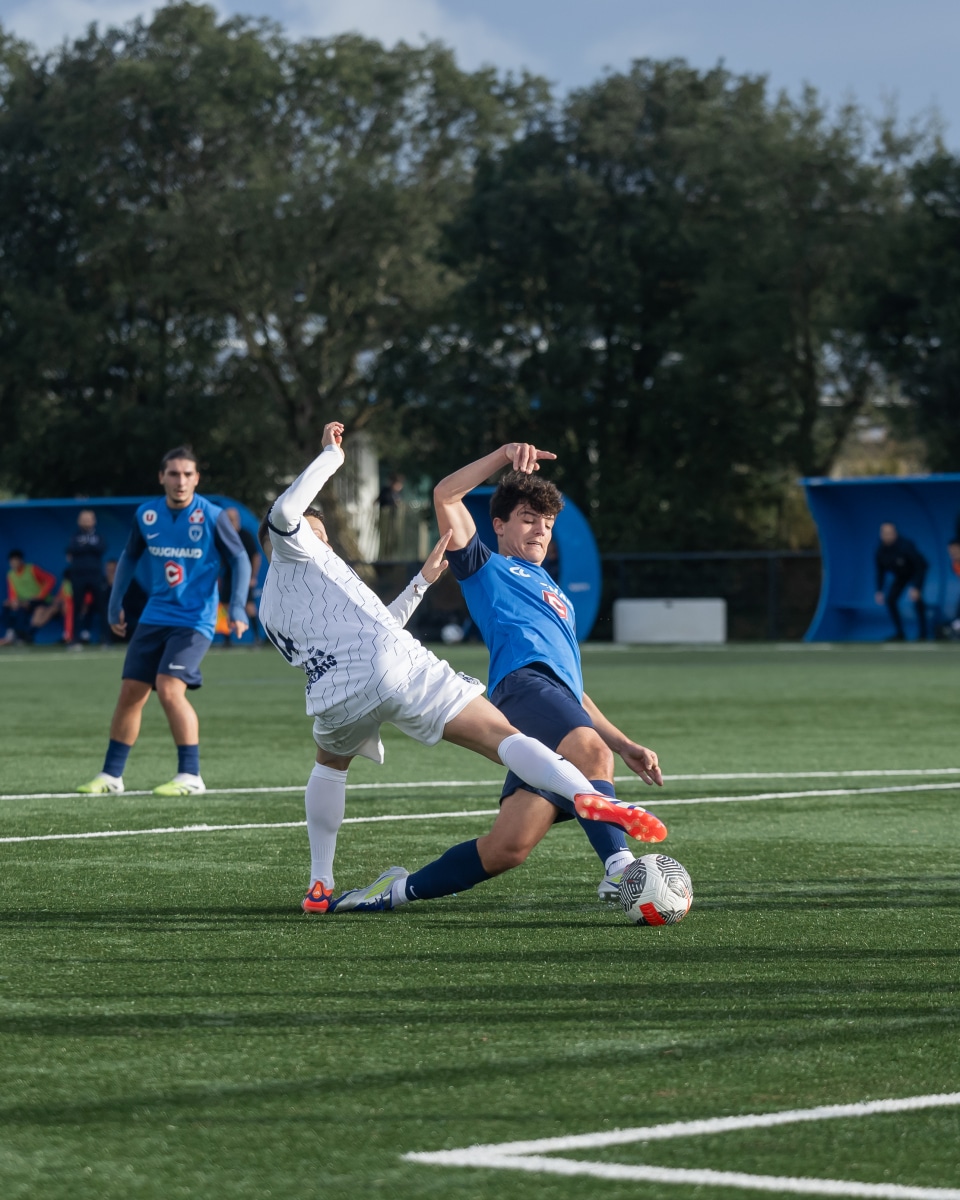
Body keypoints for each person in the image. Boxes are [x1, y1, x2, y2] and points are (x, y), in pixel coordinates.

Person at [259, 422, 665, 915]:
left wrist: (622, 741)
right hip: (518, 687)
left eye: (547, 523)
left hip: (341, 690)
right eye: (528, 519)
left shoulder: (279, 604)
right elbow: (445, 495)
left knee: (507, 847)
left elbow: (569, 689)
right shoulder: (487, 566)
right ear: (499, 525)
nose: (540, 529)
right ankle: (617, 856)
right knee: (577, 751)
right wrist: (501, 454)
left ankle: (379, 890)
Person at [76, 446, 251, 796]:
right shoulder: (147, 515)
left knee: (169, 687)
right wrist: (114, 604)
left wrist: (236, 608)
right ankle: (111, 776)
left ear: (197, 479)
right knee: (130, 692)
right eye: (173, 474)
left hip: (195, 620)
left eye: (187, 474)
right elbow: (128, 558)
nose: (180, 481)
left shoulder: (212, 516)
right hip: (155, 615)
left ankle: (191, 775)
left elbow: (240, 559)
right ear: (161, 477)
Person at [874, 522, 928, 641]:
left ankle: (923, 634)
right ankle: (900, 633)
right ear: (881, 535)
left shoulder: (905, 546)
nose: (887, 536)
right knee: (891, 600)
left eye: (890, 533)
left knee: (917, 600)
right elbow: (880, 572)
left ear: (895, 533)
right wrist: (879, 590)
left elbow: (919, 566)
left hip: (916, 572)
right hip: (901, 575)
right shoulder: (880, 551)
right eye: (885, 533)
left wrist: (916, 587)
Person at [216, 507, 261, 645]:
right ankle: (227, 640)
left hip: (243, 577)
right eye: (227, 519)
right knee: (225, 606)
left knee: (249, 606)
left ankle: (257, 638)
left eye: (232, 519)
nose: (230, 522)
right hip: (228, 576)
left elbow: (255, 557)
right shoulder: (223, 535)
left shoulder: (245, 535)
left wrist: (252, 576)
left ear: (237, 519)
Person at [65, 509, 107, 645]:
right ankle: (75, 639)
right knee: (77, 607)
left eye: (89, 519)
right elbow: (72, 549)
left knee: (102, 606)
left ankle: (106, 639)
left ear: (94, 521)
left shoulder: (98, 536)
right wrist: (89, 547)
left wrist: (85, 546)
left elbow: (101, 548)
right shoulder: (74, 536)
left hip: (95, 575)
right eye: (83, 519)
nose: (86, 522)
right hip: (78, 576)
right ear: (79, 521)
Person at [1, 550, 57, 646]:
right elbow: (12, 591)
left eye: (15, 561)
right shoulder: (10, 574)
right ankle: (12, 634)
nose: (13, 564)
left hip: (39, 600)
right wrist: (13, 601)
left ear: (21, 560)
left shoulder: (32, 569)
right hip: (23, 602)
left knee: (26, 609)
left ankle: (23, 636)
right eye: (11, 562)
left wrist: (40, 595)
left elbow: (51, 579)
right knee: (7, 605)